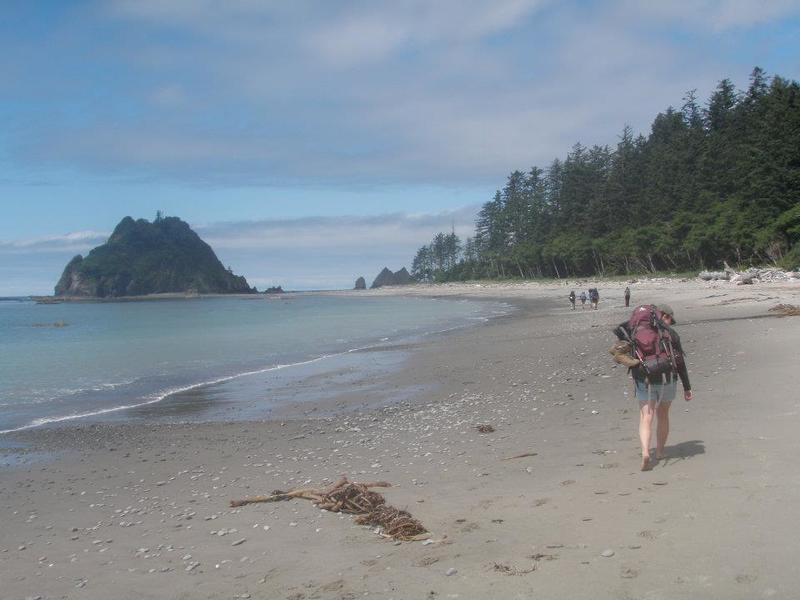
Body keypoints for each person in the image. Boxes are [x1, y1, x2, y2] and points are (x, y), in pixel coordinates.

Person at [614, 303, 693, 471]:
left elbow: (620, 352)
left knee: (646, 417)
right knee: (663, 415)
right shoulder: (670, 334)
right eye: (670, 318)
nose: (671, 322)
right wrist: (687, 387)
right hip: (668, 379)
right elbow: (680, 362)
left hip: (644, 380)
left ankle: (644, 452)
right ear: (665, 316)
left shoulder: (635, 332)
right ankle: (660, 452)